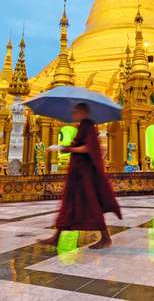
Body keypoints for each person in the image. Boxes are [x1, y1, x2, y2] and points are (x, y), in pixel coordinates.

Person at [39, 103, 122, 249]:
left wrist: (65, 148)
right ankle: (56, 237)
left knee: (91, 204)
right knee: (68, 205)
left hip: (85, 175)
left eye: (76, 111)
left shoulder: (88, 126)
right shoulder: (82, 126)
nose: (73, 113)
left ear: (83, 112)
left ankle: (105, 238)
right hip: (77, 173)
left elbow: (89, 148)